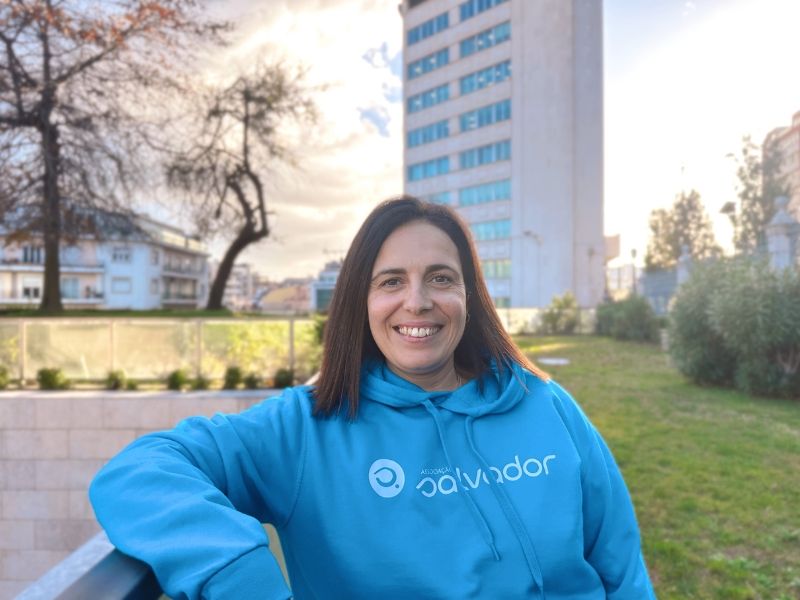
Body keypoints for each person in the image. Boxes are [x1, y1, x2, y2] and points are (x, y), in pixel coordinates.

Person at [90, 196, 656, 599]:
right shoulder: (305, 428)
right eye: (391, 281)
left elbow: (622, 567)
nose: (418, 301)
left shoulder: (545, 404)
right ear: (360, 301)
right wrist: (237, 571)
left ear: (469, 294)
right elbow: (139, 472)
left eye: (441, 278)